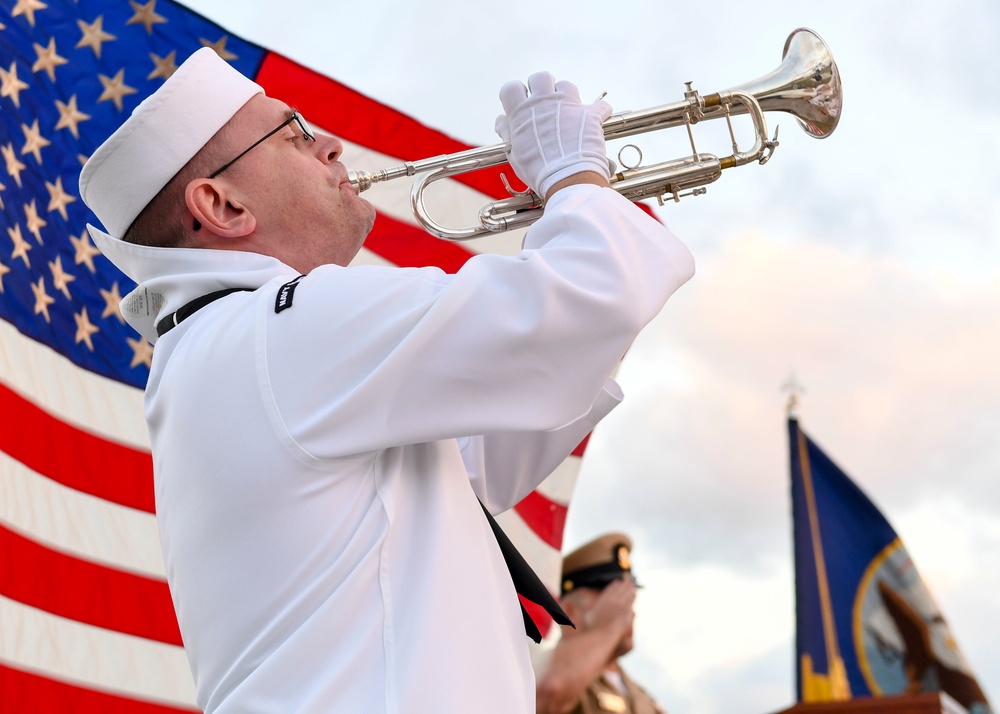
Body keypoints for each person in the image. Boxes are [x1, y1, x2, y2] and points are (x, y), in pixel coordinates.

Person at [78, 47, 694, 714]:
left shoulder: (230, 345)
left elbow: (473, 464)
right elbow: (592, 298)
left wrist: (586, 229)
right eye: (296, 135)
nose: (332, 147)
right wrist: (575, 176)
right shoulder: (278, 330)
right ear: (222, 204)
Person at [536, 534, 665, 714]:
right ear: (570, 612)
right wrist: (610, 627)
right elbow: (552, 691)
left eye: (629, 595)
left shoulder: (644, 698)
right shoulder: (544, 668)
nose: (627, 610)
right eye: (615, 597)